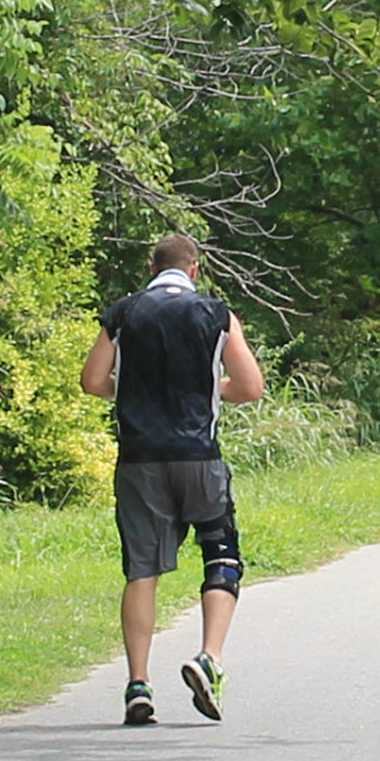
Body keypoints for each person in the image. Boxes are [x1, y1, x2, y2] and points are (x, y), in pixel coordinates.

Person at [80, 233, 267, 726]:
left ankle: (138, 685)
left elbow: (93, 382)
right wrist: (209, 388)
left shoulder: (122, 313)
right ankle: (209, 657)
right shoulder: (216, 314)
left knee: (142, 570)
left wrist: (134, 389)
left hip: (139, 461)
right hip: (197, 457)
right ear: (195, 269)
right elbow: (250, 387)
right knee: (220, 552)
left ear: (151, 265)